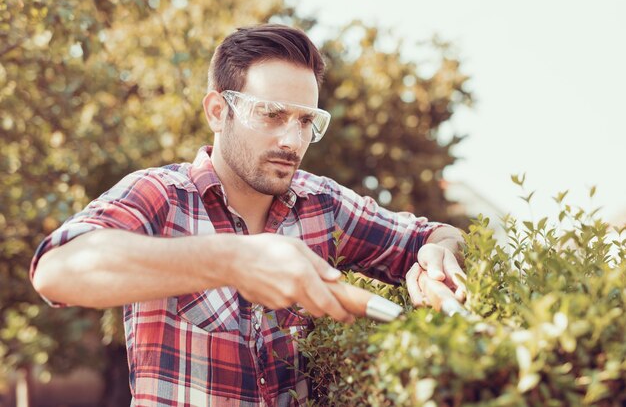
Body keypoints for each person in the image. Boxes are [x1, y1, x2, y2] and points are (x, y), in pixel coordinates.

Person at [30, 23, 466, 406]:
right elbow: (56, 269)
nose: (291, 141)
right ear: (218, 112)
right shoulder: (161, 195)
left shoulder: (325, 207)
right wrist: (232, 260)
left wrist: (440, 255)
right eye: (272, 115)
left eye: (305, 122)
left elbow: (432, 237)